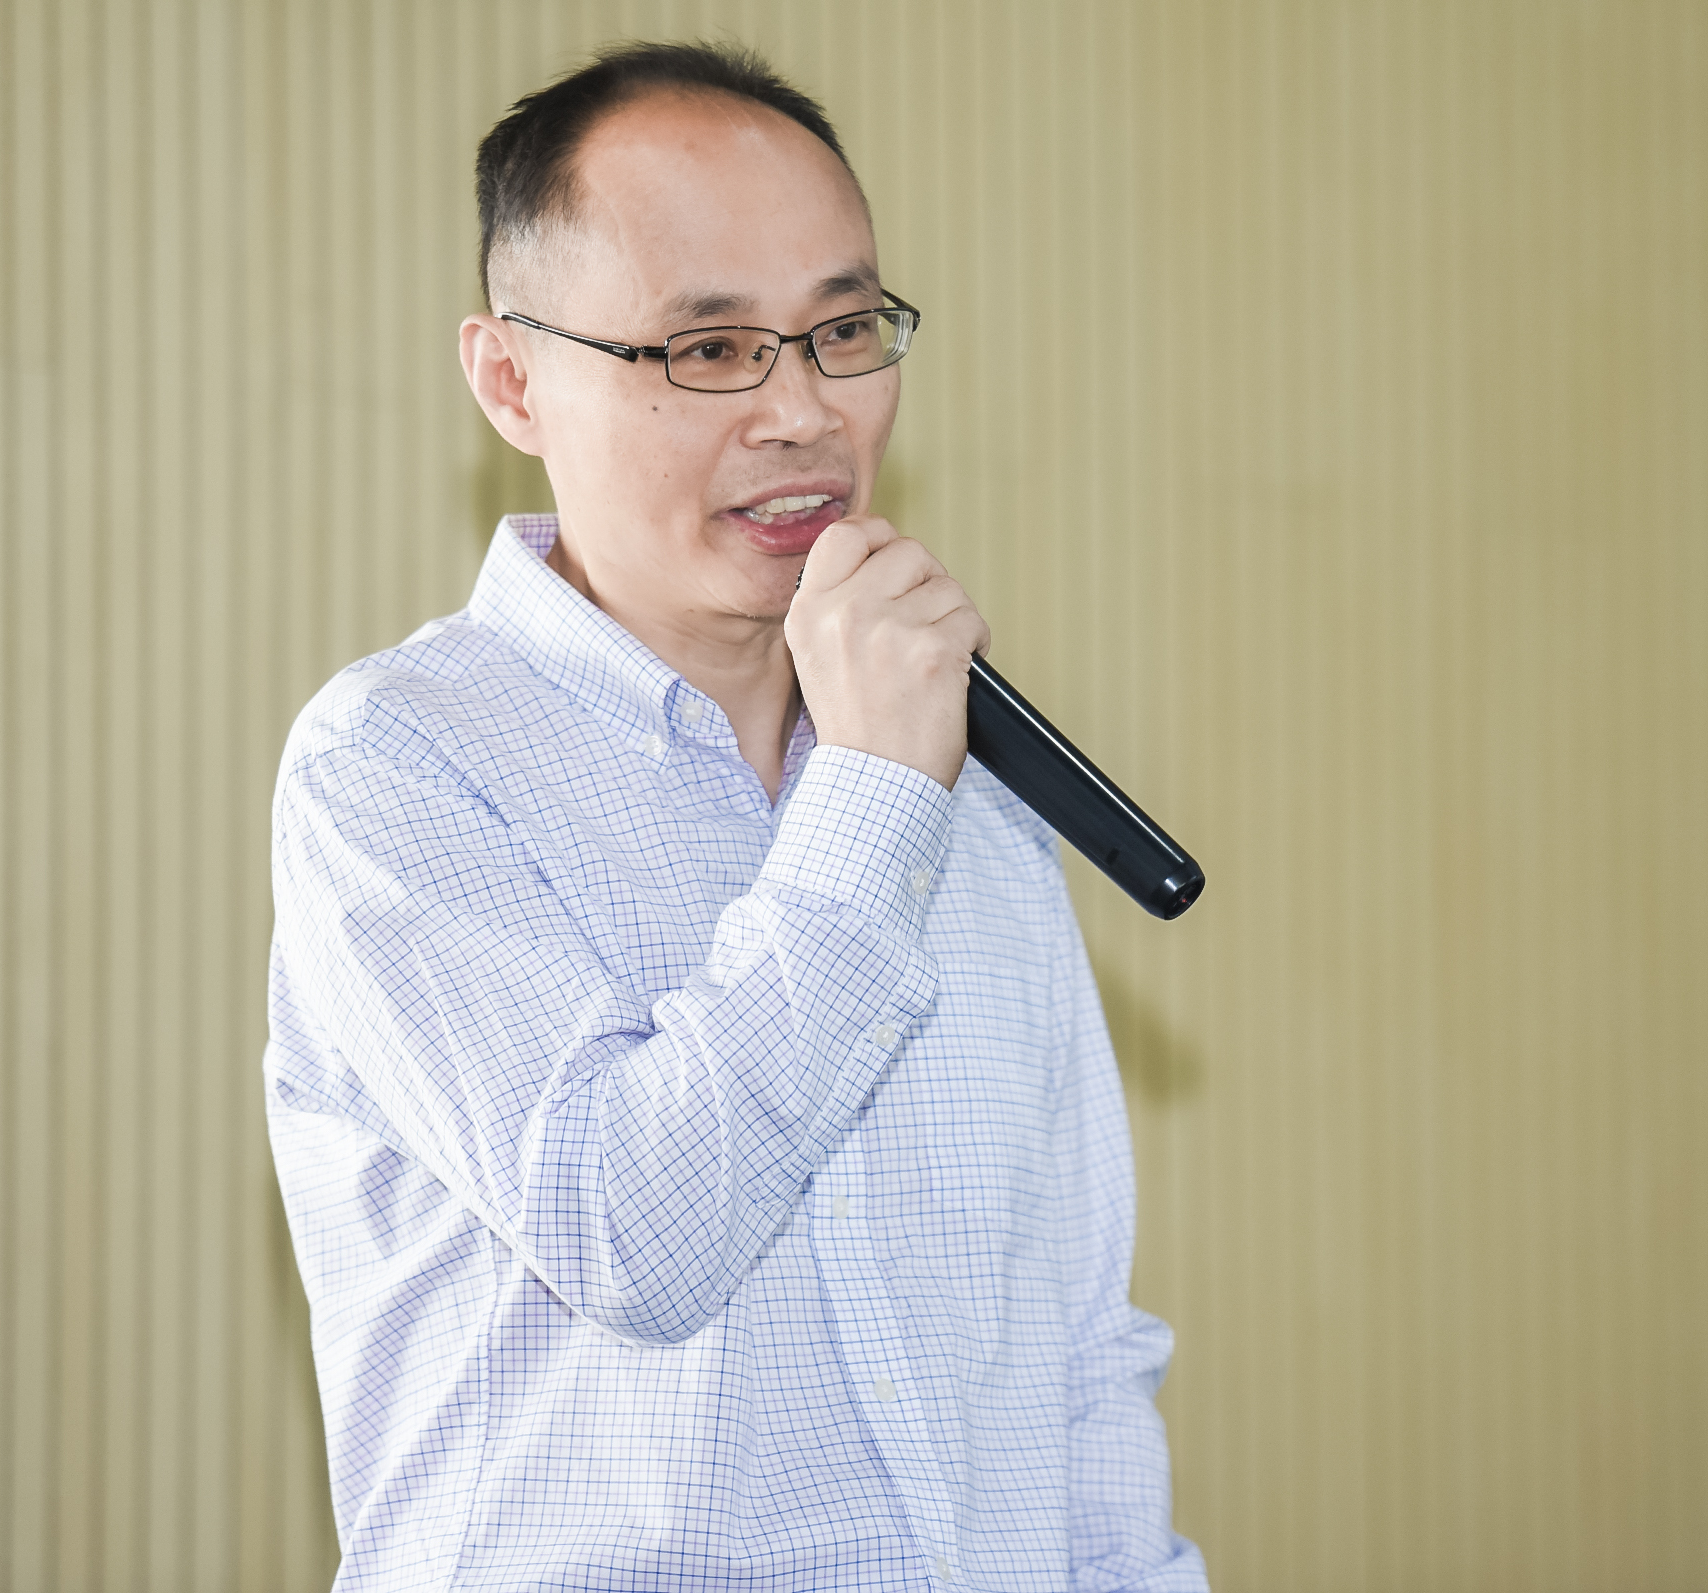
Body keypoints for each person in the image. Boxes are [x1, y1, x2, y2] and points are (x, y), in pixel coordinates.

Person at [263, 40, 1208, 1593]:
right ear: (510, 380)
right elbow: (635, 1231)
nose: (802, 411)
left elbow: (1079, 1361)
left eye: (843, 331)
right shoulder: (399, 762)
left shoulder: (973, 795)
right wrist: (876, 801)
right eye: (709, 349)